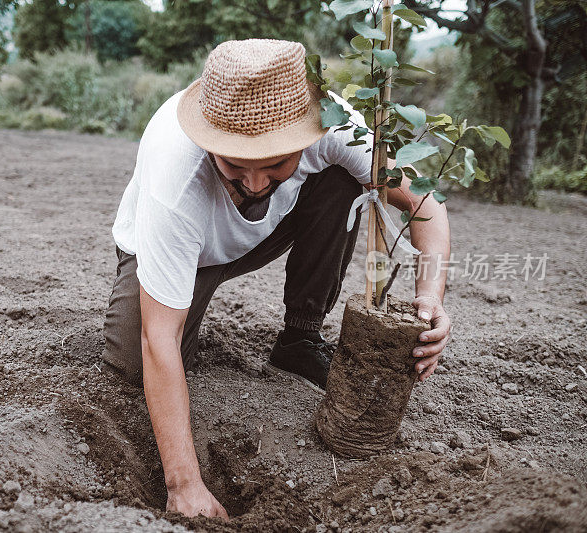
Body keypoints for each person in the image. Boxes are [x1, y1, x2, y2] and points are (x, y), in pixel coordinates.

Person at [101, 39, 451, 519]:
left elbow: (425, 205)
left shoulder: (334, 125)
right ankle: (173, 304)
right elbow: (158, 338)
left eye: (274, 164)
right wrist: (183, 484)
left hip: (260, 235)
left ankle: (300, 339)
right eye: (234, 165)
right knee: (135, 364)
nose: (255, 183)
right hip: (177, 249)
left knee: (348, 181)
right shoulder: (175, 177)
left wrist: (429, 298)